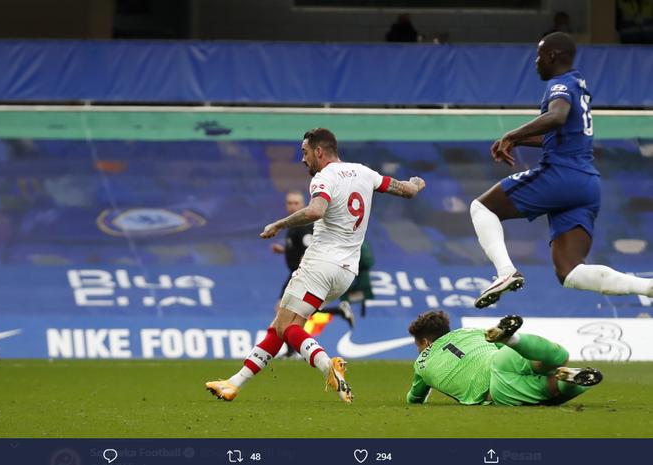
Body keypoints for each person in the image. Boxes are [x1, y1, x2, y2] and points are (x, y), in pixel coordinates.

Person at [206, 127, 425, 402]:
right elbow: (405, 190)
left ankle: (327, 365)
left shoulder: (324, 177)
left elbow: (315, 211)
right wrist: (416, 184)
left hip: (320, 263)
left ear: (319, 151)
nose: (302, 159)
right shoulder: (364, 172)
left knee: (285, 327)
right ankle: (234, 383)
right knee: (284, 326)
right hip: (345, 273)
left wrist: (279, 224)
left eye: (305, 152)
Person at [470, 32, 653, 309]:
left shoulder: (561, 84)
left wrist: (511, 133)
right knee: (570, 272)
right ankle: (647, 287)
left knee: (482, 208)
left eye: (539, 55)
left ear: (552, 56)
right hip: (587, 184)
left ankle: (505, 273)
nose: (536, 61)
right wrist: (519, 139)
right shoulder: (580, 85)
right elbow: (562, 133)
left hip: (562, 176)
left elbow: (556, 116)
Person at [407, 310, 603, 406]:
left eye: (418, 346)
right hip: (500, 357)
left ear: (425, 342)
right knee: (550, 360)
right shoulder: (470, 331)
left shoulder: (420, 364)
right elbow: (504, 350)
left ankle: (570, 383)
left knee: (548, 390)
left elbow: (415, 398)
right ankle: (514, 339)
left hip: (496, 388)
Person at [271, 190, 357, 359]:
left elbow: (308, 250)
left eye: (296, 203)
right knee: (294, 312)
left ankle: (292, 352)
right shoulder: (294, 224)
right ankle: (338, 311)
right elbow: (296, 248)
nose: (292, 206)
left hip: (302, 274)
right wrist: (283, 250)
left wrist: (303, 273)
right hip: (295, 272)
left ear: (303, 204)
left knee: (286, 311)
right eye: (290, 203)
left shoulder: (304, 225)